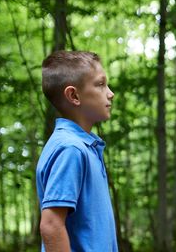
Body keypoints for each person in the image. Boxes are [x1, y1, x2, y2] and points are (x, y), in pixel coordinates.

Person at [35, 50, 118, 251]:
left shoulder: (84, 147)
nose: (110, 93)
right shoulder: (70, 149)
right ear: (74, 95)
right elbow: (51, 225)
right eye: (100, 84)